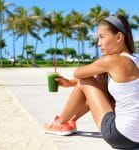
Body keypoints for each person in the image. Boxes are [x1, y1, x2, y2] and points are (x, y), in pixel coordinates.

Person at [43, 14, 139, 149]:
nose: (99, 43)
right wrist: (70, 83)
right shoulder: (135, 61)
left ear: (118, 37)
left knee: (84, 81)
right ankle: (70, 122)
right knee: (99, 80)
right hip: (137, 138)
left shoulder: (112, 61)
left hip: (120, 136)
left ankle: (60, 123)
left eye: (102, 37)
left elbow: (79, 73)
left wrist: (73, 81)